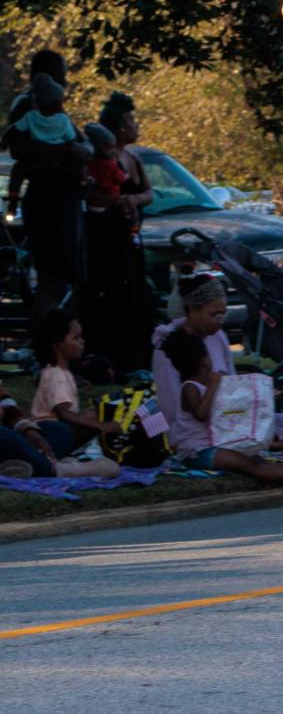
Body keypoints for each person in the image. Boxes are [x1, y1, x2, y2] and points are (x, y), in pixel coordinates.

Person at [151, 276, 283, 471]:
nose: (220, 321)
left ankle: (264, 443)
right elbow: (173, 409)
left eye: (223, 314)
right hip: (198, 432)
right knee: (253, 454)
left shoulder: (219, 337)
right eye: (214, 314)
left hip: (230, 417)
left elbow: (232, 386)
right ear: (193, 309)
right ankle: (273, 447)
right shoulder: (168, 349)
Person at [78, 93, 155, 375]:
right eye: (131, 121)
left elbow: (147, 193)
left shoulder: (134, 159)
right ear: (120, 128)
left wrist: (134, 201)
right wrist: (115, 203)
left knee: (138, 296)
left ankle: (137, 360)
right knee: (110, 298)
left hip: (131, 237)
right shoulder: (98, 161)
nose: (136, 125)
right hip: (105, 238)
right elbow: (91, 195)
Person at [4, 73, 89, 314]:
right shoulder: (48, 122)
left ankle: (56, 324)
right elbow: (82, 150)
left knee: (52, 275)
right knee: (57, 274)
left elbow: (83, 151)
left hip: (45, 202)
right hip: (57, 205)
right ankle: (54, 328)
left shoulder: (38, 124)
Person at [8, 309, 120, 478]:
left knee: (96, 412)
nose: (82, 342)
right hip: (50, 432)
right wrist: (101, 426)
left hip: (54, 430)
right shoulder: (55, 374)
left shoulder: (61, 372)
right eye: (76, 338)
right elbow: (64, 413)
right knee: (85, 421)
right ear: (57, 344)